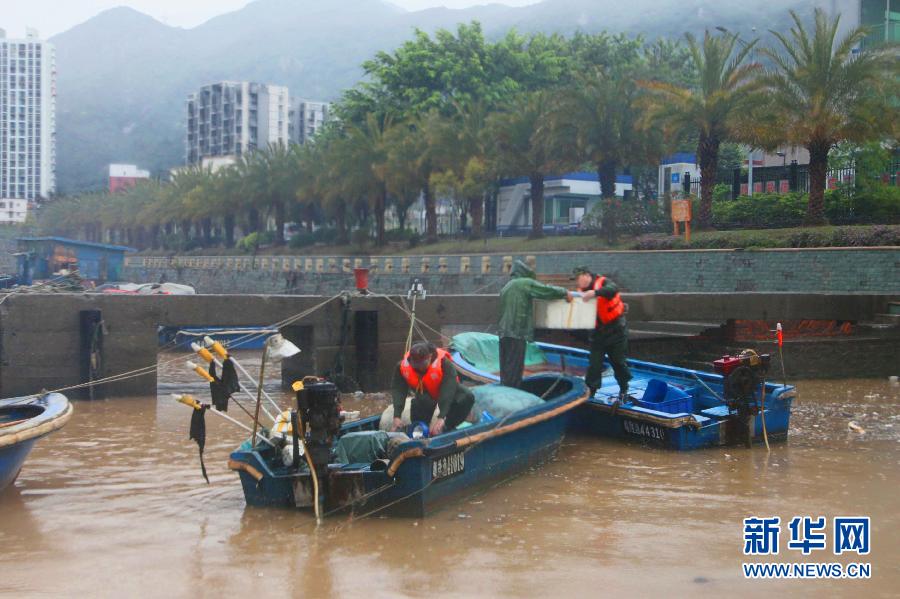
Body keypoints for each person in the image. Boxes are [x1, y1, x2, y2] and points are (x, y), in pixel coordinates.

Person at [498, 260, 574, 389]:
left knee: (506, 371)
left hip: (503, 333)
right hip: (516, 332)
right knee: (515, 371)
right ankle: (513, 394)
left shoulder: (507, 287)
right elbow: (545, 290)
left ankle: (504, 393)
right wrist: (564, 292)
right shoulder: (524, 283)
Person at [573, 265, 632, 401]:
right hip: (597, 334)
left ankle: (624, 388)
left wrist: (595, 293)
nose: (577, 282)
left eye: (578, 278)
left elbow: (613, 289)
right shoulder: (580, 293)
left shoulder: (603, 282)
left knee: (618, 361)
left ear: (586, 275)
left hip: (616, 331)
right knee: (594, 364)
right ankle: (591, 392)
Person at [391, 341, 475, 436]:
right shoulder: (402, 366)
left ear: (430, 356)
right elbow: (398, 390)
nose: (420, 368)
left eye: (422, 364)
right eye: (416, 365)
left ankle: (446, 427)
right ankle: (420, 430)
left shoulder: (445, 364)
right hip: (424, 395)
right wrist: (397, 416)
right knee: (420, 422)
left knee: (466, 396)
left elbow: (448, 390)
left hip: (447, 391)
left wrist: (441, 417)